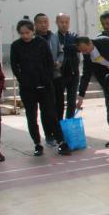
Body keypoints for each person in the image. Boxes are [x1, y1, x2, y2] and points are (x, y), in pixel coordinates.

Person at [10, 19, 70, 157]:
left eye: (27, 32)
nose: (25, 35)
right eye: (22, 33)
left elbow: (49, 62)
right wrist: (23, 80)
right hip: (27, 88)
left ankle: (61, 142)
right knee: (31, 116)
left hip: (45, 86)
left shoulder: (41, 43)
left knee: (51, 114)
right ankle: (37, 144)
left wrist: (47, 78)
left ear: (33, 31)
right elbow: (14, 66)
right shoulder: (16, 46)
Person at [34, 13, 61, 147]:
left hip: (55, 76)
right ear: (35, 24)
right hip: (41, 79)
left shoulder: (54, 37)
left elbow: (61, 52)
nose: (43, 25)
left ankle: (58, 134)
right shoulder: (33, 39)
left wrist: (59, 62)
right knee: (45, 110)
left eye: (45, 22)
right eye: (40, 22)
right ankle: (48, 135)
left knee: (56, 107)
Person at [55, 13, 80, 119]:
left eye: (66, 22)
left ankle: (69, 123)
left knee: (72, 102)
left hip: (73, 73)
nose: (64, 24)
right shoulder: (54, 38)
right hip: (59, 74)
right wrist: (69, 47)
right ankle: (59, 124)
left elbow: (79, 49)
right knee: (58, 102)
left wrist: (68, 47)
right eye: (62, 22)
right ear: (57, 23)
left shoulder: (74, 37)